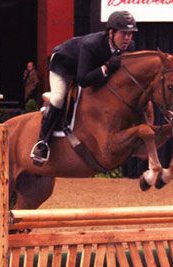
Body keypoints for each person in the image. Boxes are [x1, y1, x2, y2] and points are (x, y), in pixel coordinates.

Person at [30, 10, 138, 165]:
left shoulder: (130, 47)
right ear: (111, 33)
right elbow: (83, 80)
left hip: (87, 68)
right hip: (64, 65)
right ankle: (42, 143)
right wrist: (106, 68)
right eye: (124, 33)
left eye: (130, 34)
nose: (128, 38)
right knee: (59, 98)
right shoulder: (92, 45)